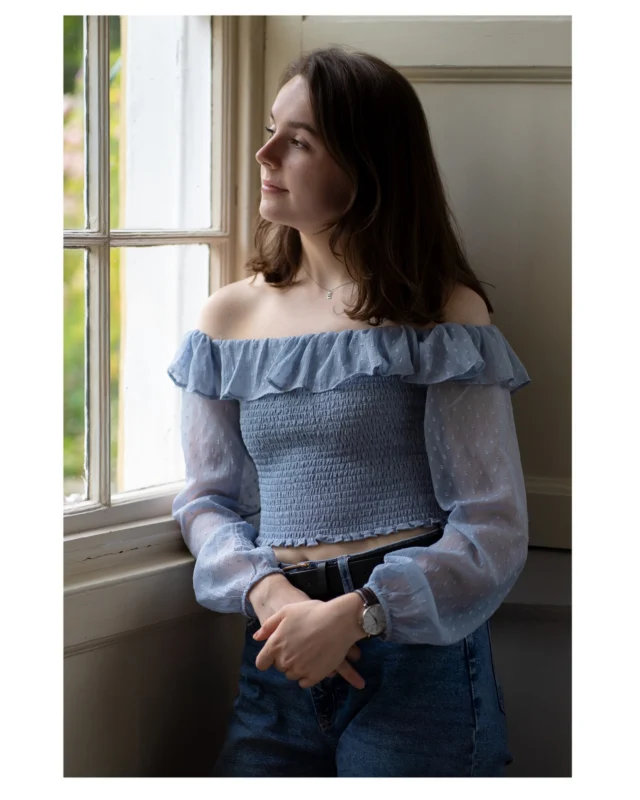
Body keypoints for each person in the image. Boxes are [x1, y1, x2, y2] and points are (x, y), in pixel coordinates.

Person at [167, 46, 530, 778]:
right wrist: (269, 591)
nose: (265, 153)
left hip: (415, 659)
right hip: (277, 648)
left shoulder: (442, 314)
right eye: (270, 130)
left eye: (298, 141)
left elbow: (493, 523)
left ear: (368, 166)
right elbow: (207, 501)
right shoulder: (226, 321)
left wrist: (359, 613)